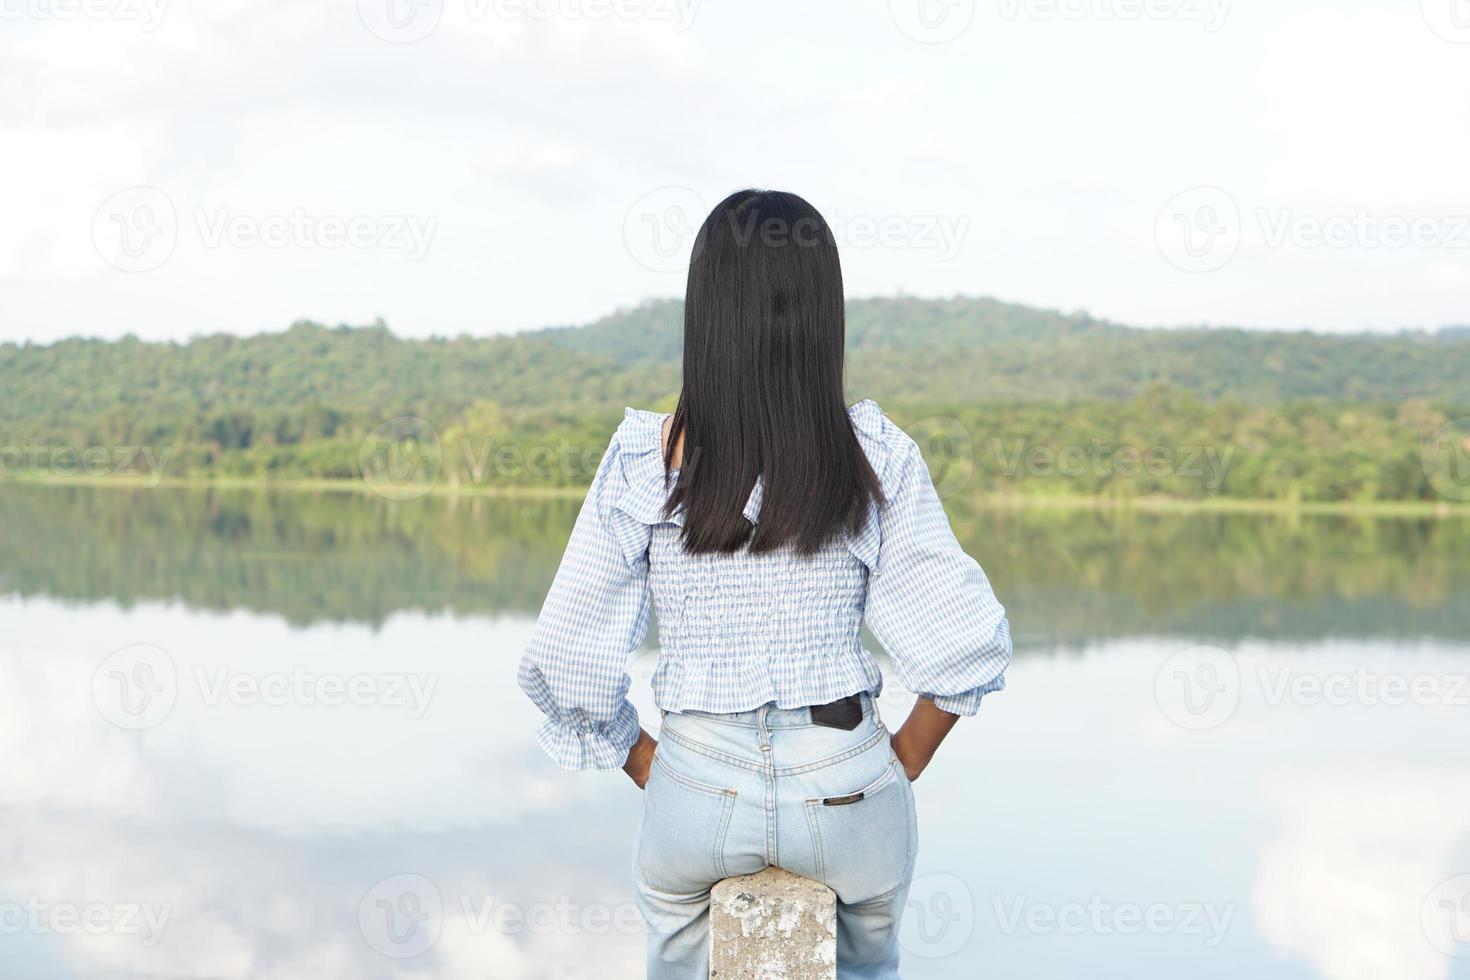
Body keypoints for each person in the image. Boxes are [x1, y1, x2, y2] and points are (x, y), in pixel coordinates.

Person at [518, 189, 1011, 979]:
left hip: (694, 786)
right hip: (847, 787)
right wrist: (902, 759)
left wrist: (640, 756)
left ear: (703, 312)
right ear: (823, 315)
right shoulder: (874, 457)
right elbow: (964, 645)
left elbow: (565, 658)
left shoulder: (646, 461)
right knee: (870, 965)